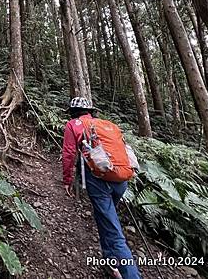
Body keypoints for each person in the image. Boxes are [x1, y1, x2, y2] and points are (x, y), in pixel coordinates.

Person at [62, 97, 141, 279]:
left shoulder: (73, 124)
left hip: (99, 180)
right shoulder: (106, 124)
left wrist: (67, 180)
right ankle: (110, 262)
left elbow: (68, 153)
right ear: (90, 110)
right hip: (121, 180)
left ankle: (130, 275)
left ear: (73, 112)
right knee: (104, 219)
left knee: (113, 232)